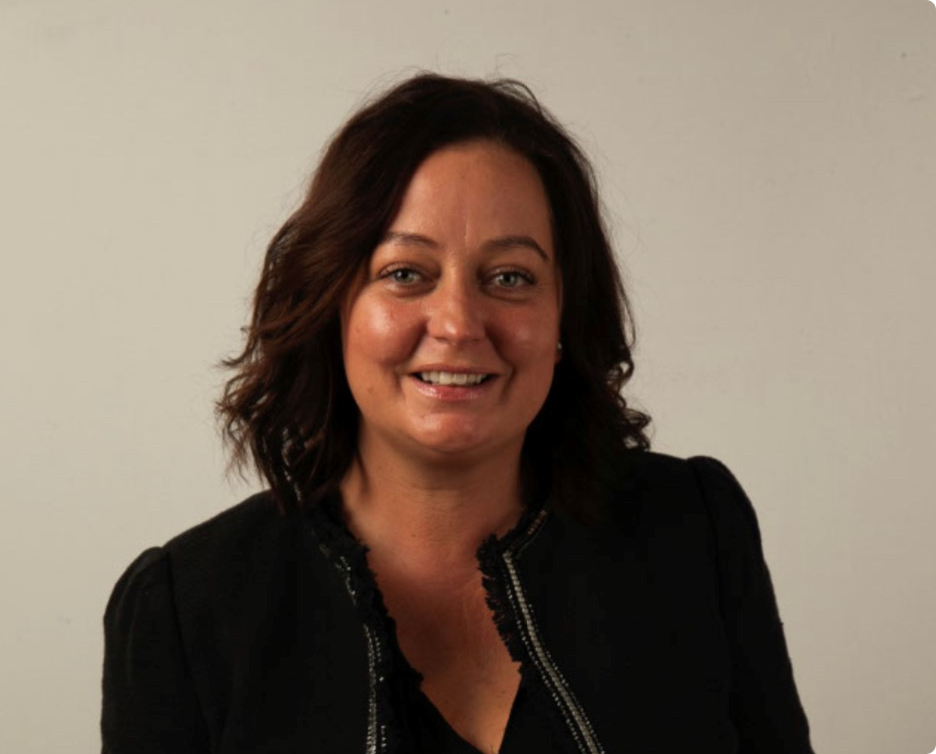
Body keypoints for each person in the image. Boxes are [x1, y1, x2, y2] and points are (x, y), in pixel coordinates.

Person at [101, 74, 814, 754]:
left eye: (510, 277)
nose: (458, 322)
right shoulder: (185, 611)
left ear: (565, 316)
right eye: (405, 273)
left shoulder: (694, 528)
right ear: (332, 305)